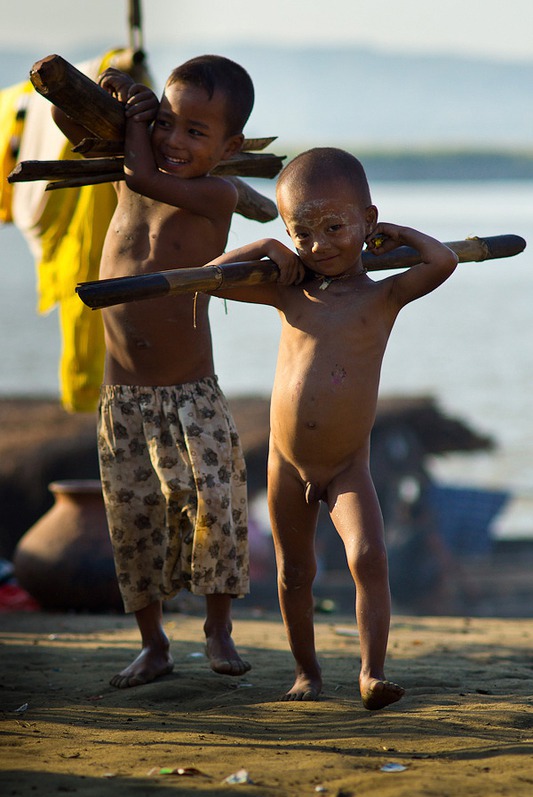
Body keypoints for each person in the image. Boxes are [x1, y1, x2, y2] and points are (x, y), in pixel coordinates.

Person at [51, 55, 289, 689]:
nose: (173, 141)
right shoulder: (125, 167)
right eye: (166, 123)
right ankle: (154, 645)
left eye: (195, 132)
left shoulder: (215, 193)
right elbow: (64, 116)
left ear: (230, 147)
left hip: (190, 396)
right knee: (134, 522)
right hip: (121, 396)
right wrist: (118, 89)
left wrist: (138, 125)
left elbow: (145, 173)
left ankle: (217, 628)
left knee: (214, 506)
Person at [205, 147, 458, 709]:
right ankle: (306, 672)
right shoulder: (287, 292)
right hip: (285, 464)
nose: (319, 245)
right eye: (302, 232)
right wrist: (266, 247)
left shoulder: (384, 296)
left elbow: (442, 262)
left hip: (347, 466)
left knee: (368, 556)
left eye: (335, 226)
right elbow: (213, 280)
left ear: (366, 220)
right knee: (296, 572)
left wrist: (397, 234)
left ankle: (371, 673)